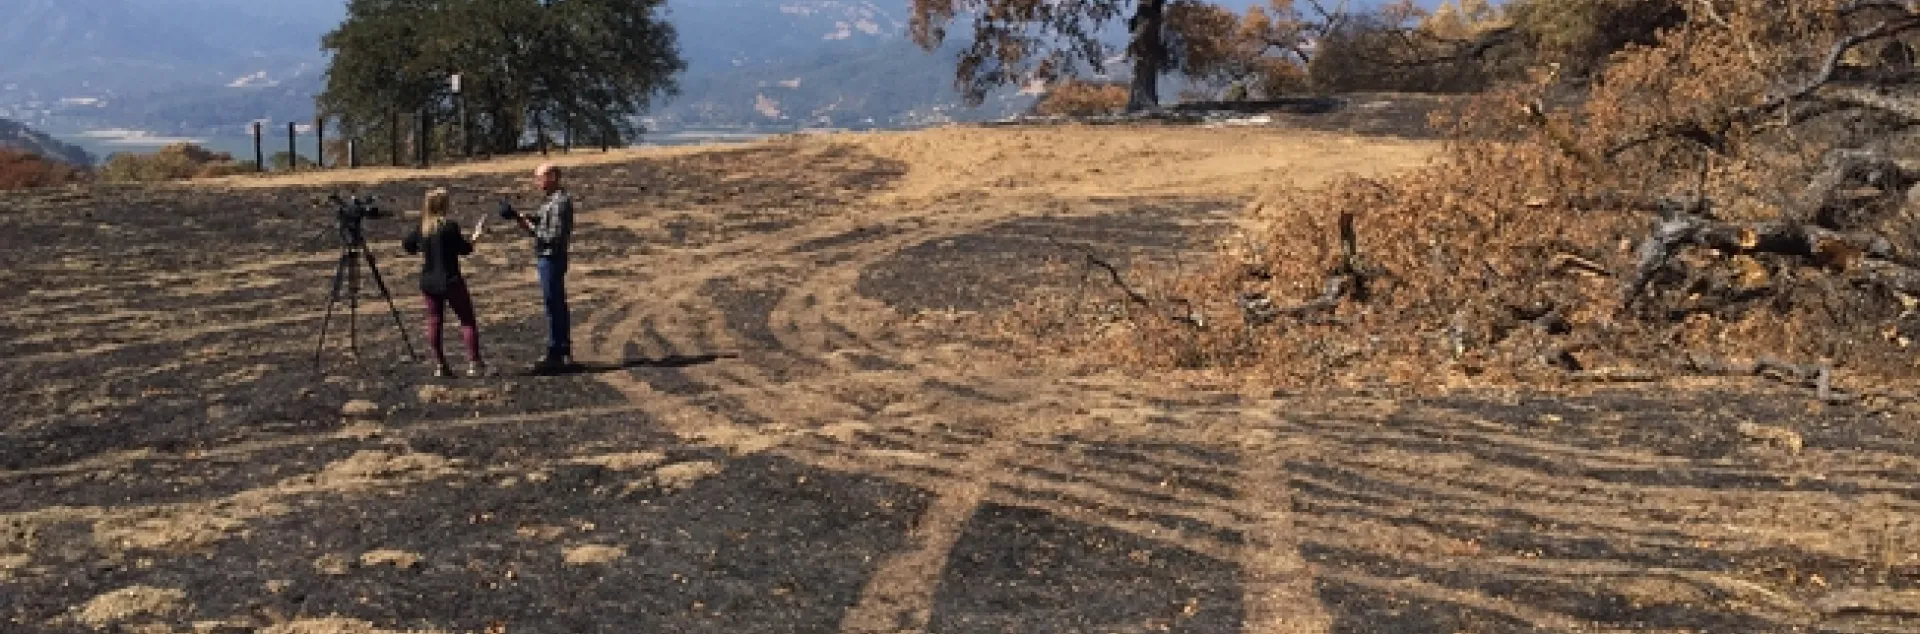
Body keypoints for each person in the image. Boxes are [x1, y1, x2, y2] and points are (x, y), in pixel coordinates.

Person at [402, 187, 487, 377]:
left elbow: (407, 245)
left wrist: (422, 250)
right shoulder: (449, 227)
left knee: (434, 321)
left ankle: (440, 363)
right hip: (451, 279)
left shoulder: (422, 228)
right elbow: (464, 249)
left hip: (429, 281)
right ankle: (474, 362)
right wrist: (476, 237)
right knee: (466, 320)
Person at [503, 163, 574, 373]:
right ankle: (560, 351)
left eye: (539, 177)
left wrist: (527, 227)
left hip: (551, 258)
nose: (536, 182)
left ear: (552, 177)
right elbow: (543, 220)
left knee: (554, 304)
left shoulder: (560, 203)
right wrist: (519, 216)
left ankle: (558, 352)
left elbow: (553, 236)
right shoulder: (552, 201)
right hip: (548, 258)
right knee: (554, 303)